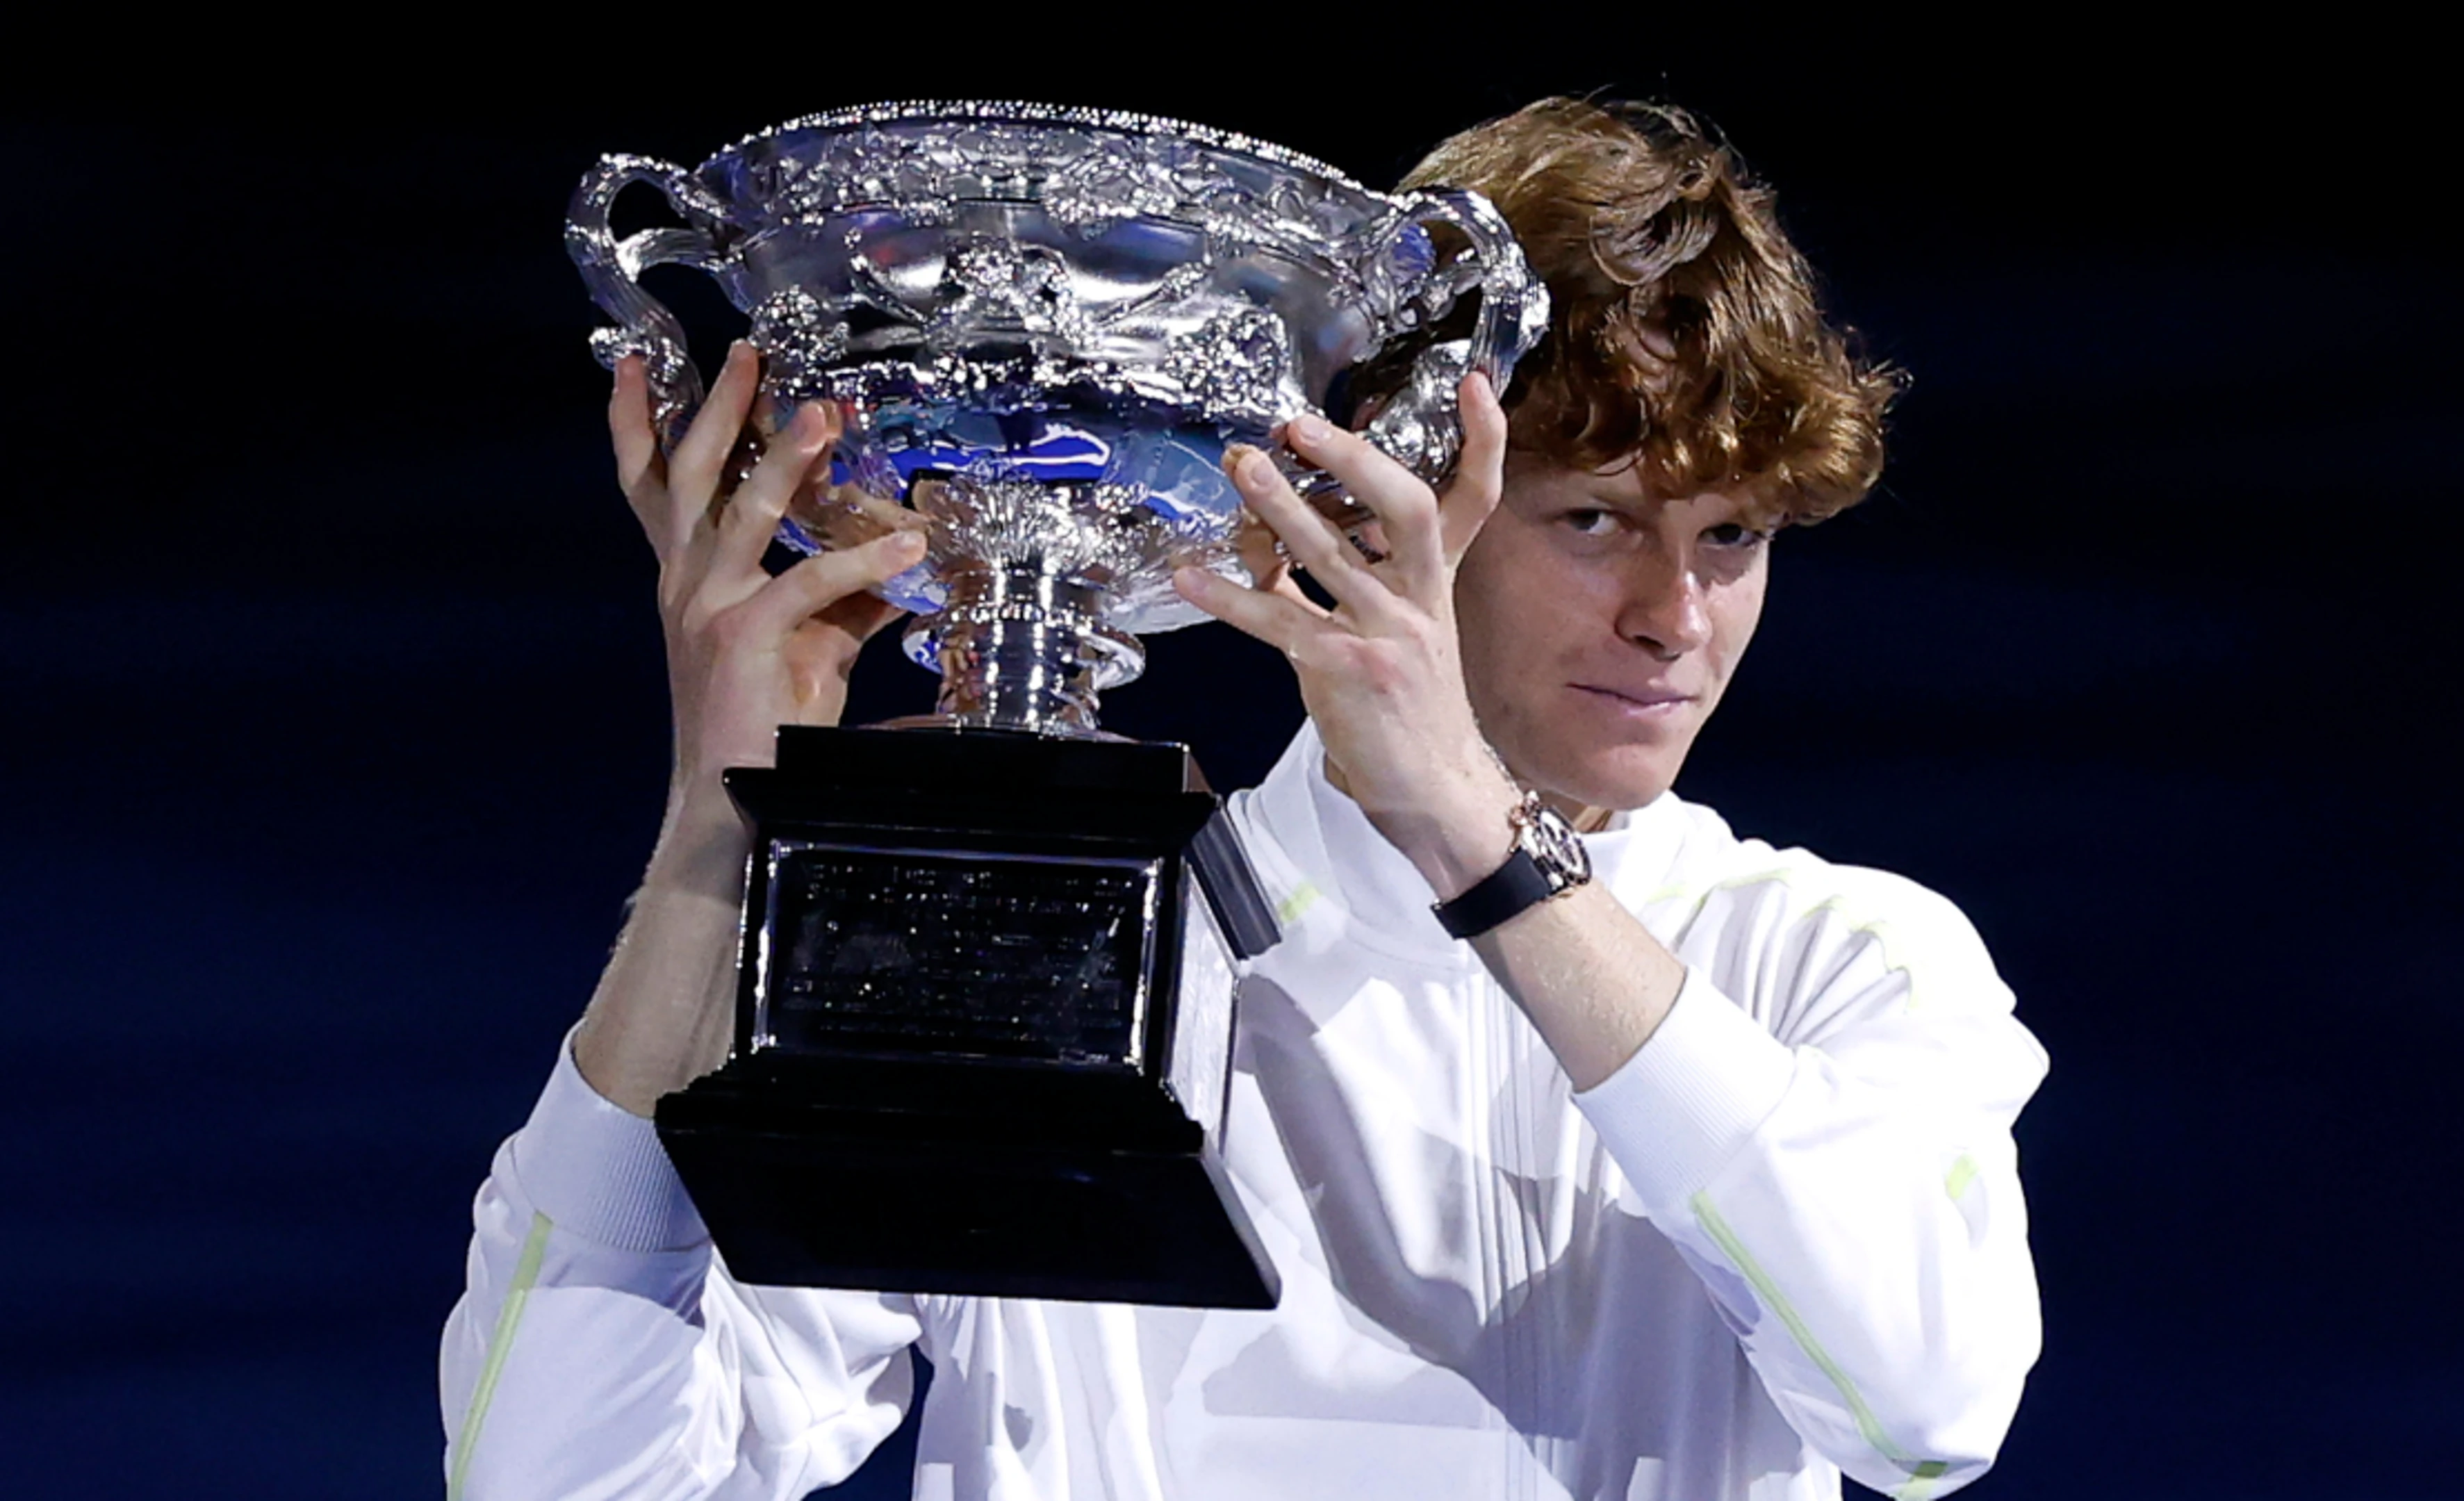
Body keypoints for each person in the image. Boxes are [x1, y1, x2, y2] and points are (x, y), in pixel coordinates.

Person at [442, 98, 2046, 1500]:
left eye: (1731, 542)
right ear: (1384, 485)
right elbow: (557, 1477)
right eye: (1595, 521)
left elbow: (1923, 1412)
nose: (1672, 620)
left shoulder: (1842, 959)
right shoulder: (1047, 948)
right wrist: (714, 844)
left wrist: (1475, 843)